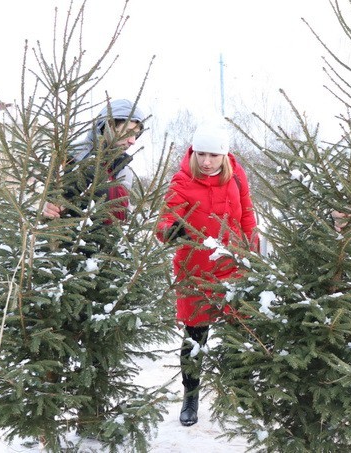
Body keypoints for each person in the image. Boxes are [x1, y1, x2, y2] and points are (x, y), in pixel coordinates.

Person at [156, 121, 257, 427]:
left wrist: (253, 252)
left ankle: (242, 390)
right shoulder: (182, 181)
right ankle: (191, 396)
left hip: (232, 269)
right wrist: (169, 231)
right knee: (195, 337)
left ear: (224, 155)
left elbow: (247, 214)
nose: (206, 161)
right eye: (201, 153)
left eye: (213, 155)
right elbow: (165, 219)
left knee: (238, 333)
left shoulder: (237, 177)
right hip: (194, 272)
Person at [42, 98, 145, 221]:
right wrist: (47, 208)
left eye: (136, 135)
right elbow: (52, 201)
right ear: (108, 126)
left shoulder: (125, 170)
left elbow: (124, 215)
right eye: (128, 132)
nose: (133, 141)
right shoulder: (74, 157)